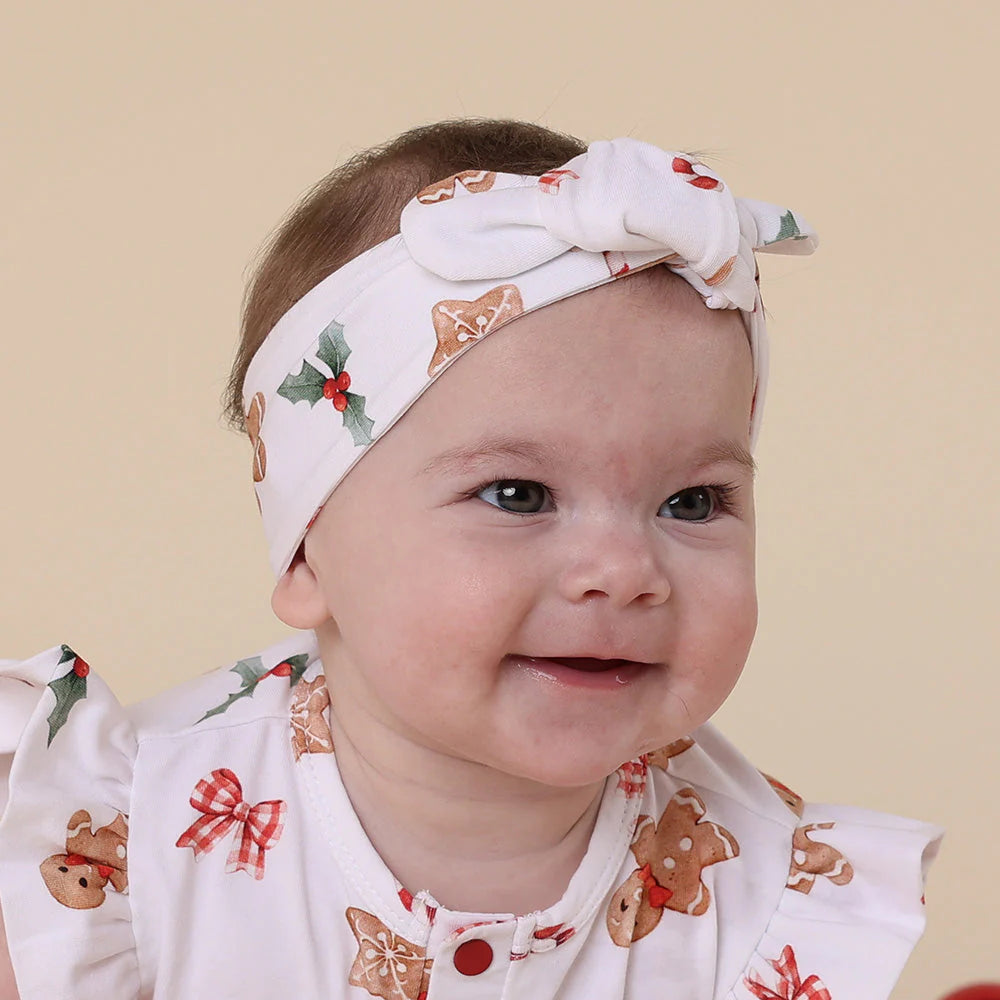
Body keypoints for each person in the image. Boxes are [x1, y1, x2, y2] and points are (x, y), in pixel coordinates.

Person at [0, 118, 942, 999]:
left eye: (692, 502)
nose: (623, 570)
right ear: (305, 552)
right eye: (517, 495)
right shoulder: (122, 844)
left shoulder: (763, 892)